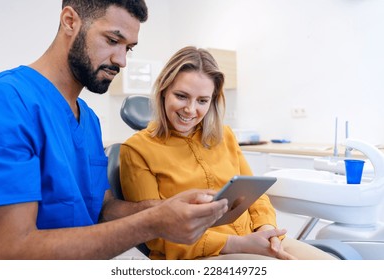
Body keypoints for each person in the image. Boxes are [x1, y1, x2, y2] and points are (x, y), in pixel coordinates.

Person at [0, 1, 230, 260]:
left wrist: (166, 208)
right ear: (70, 21)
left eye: (128, 48)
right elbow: (9, 249)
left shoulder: (89, 120)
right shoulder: (7, 101)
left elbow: (104, 208)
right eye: (112, 40)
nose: (121, 60)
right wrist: (152, 222)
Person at [119, 46, 337, 260]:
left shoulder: (224, 135)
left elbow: (255, 194)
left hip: (253, 238)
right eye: (182, 96)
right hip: (196, 255)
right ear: (164, 91)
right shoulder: (137, 150)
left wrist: (267, 230)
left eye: (202, 100)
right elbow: (154, 233)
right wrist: (236, 244)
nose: (190, 109)